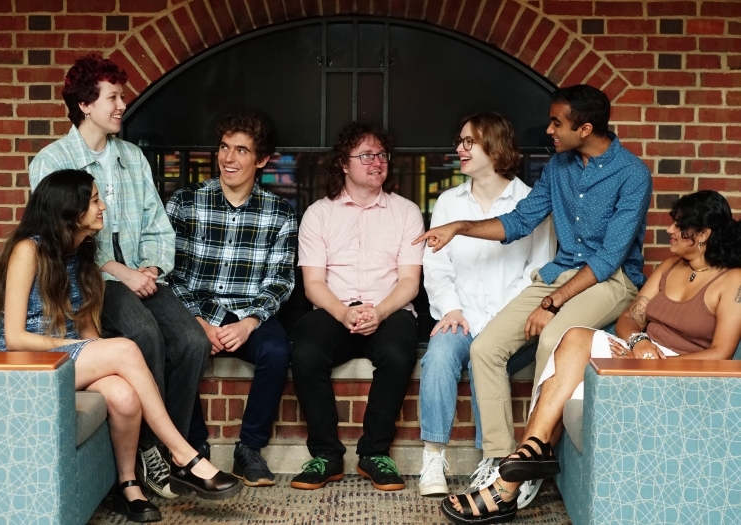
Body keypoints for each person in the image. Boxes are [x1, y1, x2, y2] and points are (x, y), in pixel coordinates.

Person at [439, 190, 741, 524]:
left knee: (570, 372)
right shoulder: (670, 266)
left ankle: (505, 488)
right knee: (574, 336)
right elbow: (631, 316)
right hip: (637, 353)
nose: (669, 230)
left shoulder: (733, 282)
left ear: (703, 234)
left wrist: (658, 362)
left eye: (679, 224)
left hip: (677, 372)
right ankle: (533, 450)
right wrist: (638, 342)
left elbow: (721, 354)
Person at [415, 84, 652, 493]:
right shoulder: (559, 167)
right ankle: (499, 457)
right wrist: (459, 227)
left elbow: (608, 258)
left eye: (557, 122)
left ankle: (532, 456)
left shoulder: (632, 174)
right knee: (484, 349)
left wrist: (552, 303)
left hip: (611, 281)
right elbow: (519, 221)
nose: (549, 130)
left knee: (552, 341)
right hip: (559, 273)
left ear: (586, 127)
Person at [0, 171, 242, 523]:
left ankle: (128, 485)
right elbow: (14, 338)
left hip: (64, 357)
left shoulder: (79, 253)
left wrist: (90, 348)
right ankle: (183, 455)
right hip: (27, 364)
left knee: (124, 395)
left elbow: (87, 327)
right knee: (123, 349)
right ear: (70, 209)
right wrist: (77, 345)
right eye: (93, 199)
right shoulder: (27, 250)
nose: (102, 206)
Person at [28, 54, 211, 500]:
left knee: (192, 341)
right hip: (95, 281)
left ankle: (174, 452)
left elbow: (157, 224)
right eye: (113, 96)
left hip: (141, 275)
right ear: (86, 105)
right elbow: (59, 242)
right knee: (144, 334)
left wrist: (150, 268)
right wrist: (120, 273)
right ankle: (153, 451)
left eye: (122, 95)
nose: (122, 104)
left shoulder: (132, 157)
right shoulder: (52, 161)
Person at [418, 113, 555, 503]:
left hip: (507, 321)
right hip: (458, 315)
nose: (459, 149)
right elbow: (436, 265)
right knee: (439, 356)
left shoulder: (530, 201)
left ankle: (492, 462)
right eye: (459, 141)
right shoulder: (448, 202)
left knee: (485, 357)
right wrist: (451, 308)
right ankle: (433, 458)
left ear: (493, 147)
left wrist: (502, 318)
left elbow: (537, 270)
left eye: (468, 142)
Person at [290, 123, 424, 491]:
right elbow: (313, 284)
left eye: (381, 155)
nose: (377, 162)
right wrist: (344, 313)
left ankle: (374, 454)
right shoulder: (319, 214)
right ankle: (326, 456)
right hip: (335, 310)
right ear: (344, 165)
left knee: (398, 354)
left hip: (390, 309)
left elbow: (409, 282)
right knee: (304, 352)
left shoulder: (407, 212)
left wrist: (378, 312)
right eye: (366, 155)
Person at [166, 111, 296, 487]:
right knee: (179, 348)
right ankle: (195, 450)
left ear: (261, 160)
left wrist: (248, 322)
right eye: (224, 147)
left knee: (277, 353)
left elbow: (280, 281)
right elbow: (169, 272)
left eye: (241, 150)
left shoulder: (279, 213)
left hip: (248, 314)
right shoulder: (187, 202)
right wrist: (198, 322)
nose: (229, 158)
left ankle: (249, 450)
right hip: (196, 310)